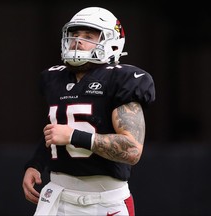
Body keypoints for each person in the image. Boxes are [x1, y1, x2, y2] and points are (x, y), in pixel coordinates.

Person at [22, 6, 155, 216]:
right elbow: (57, 130)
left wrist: (74, 136)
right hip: (58, 197)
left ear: (111, 41)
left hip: (104, 203)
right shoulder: (54, 78)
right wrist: (36, 164)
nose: (77, 41)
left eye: (88, 35)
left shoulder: (122, 79)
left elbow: (132, 150)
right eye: (74, 35)